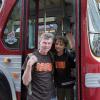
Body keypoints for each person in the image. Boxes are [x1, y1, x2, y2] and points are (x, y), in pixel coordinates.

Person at [22, 32, 54, 100]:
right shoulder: (31, 56)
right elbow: (25, 82)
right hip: (34, 97)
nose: (46, 45)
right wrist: (29, 65)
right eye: (44, 43)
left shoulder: (51, 56)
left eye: (49, 43)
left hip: (48, 96)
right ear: (39, 43)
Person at [53, 35, 75, 100]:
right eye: (56, 44)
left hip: (69, 84)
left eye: (61, 44)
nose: (58, 46)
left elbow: (73, 68)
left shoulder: (69, 56)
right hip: (59, 84)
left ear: (65, 46)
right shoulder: (54, 56)